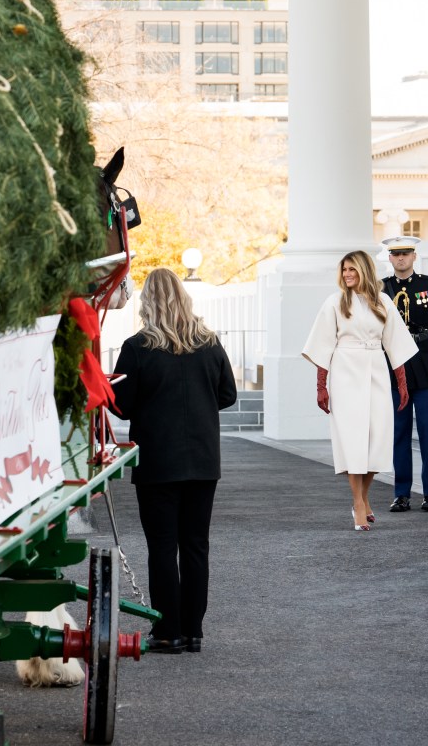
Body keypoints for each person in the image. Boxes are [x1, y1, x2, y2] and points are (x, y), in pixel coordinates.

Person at [109, 267, 237, 654]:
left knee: (162, 547)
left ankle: (168, 631)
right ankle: (194, 631)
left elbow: (122, 404)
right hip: (202, 459)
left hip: (157, 461)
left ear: (147, 303)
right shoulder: (210, 342)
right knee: (196, 546)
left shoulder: (136, 347)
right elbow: (228, 394)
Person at [302, 250, 418, 531]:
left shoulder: (383, 301)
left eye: (352, 269)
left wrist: (402, 384)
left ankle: (364, 498)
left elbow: (395, 343)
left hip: (376, 369)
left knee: (378, 437)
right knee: (352, 439)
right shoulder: (335, 302)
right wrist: (321, 386)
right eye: (344, 270)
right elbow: (323, 346)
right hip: (345, 371)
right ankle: (357, 503)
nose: (347, 275)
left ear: (364, 270)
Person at [380, 236, 428, 513]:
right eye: (395, 254)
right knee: (399, 431)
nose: (400, 258)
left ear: (414, 256)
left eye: (405, 254)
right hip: (394, 367)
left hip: (426, 368)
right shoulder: (381, 289)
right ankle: (401, 493)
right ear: (389, 258)